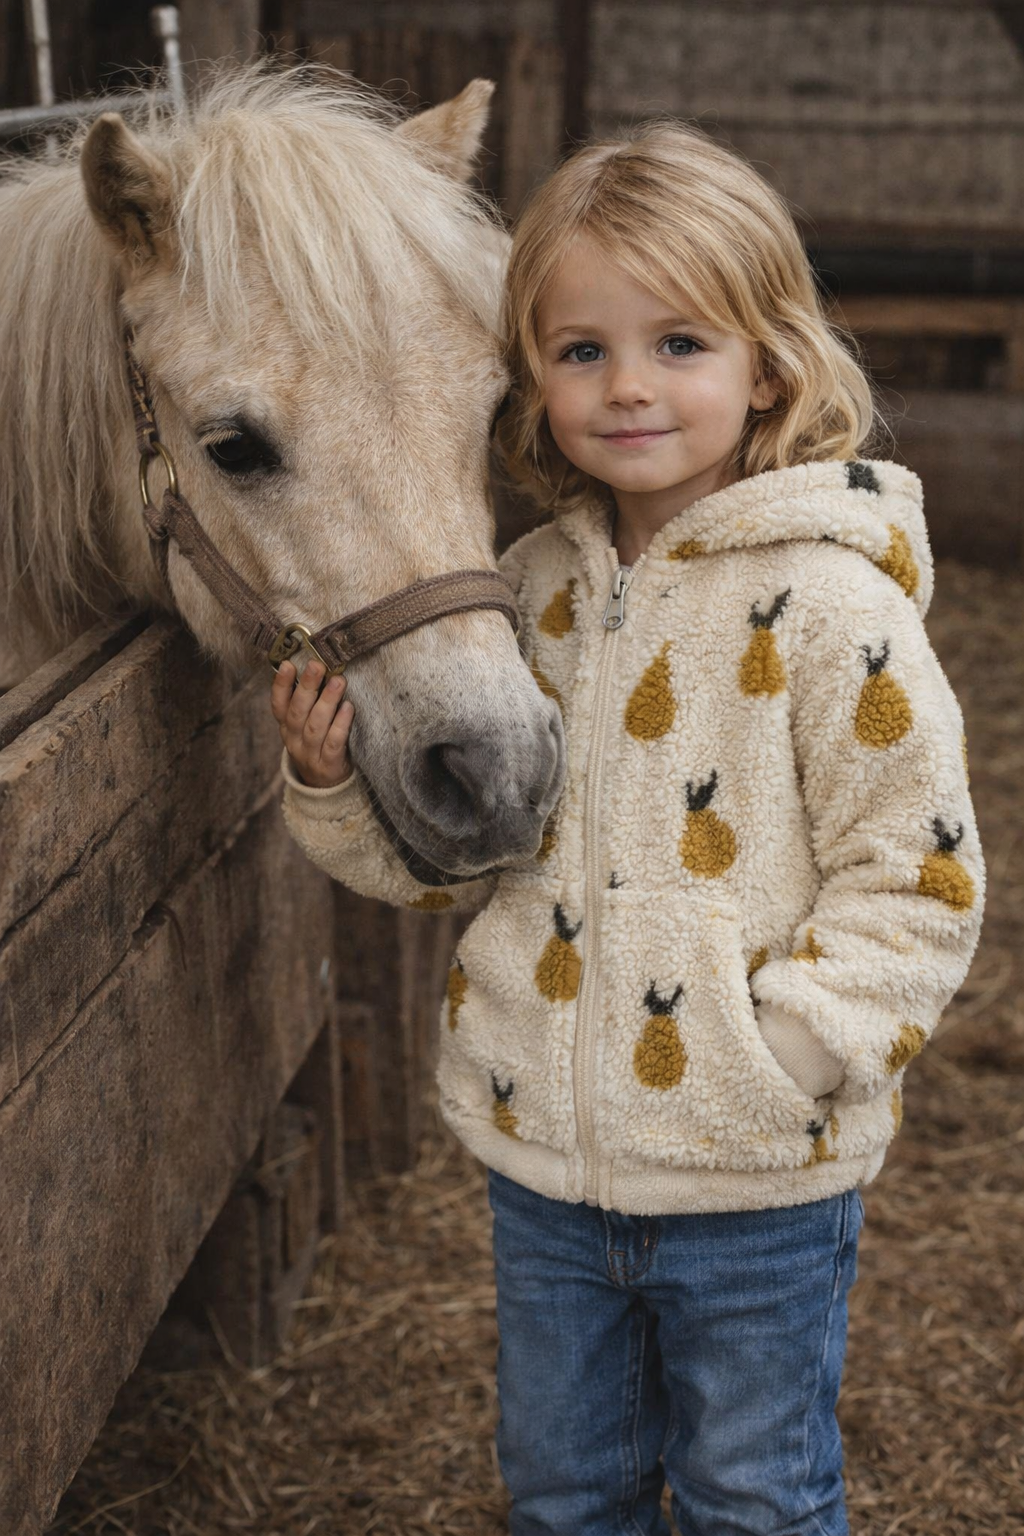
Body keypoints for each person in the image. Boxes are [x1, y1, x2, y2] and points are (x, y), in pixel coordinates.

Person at [270, 122, 984, 1536]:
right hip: (545, 1173)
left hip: (757, 1184)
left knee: (753, 1496)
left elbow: (921, 878)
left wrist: (778, 1054)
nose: (629, 386)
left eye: (679, 343)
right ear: (529, 375)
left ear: (768, 362)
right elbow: (447, 871)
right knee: (562, 1491)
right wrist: (338, 786)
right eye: (582, 349)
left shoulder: (837, 607)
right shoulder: (516, 597)